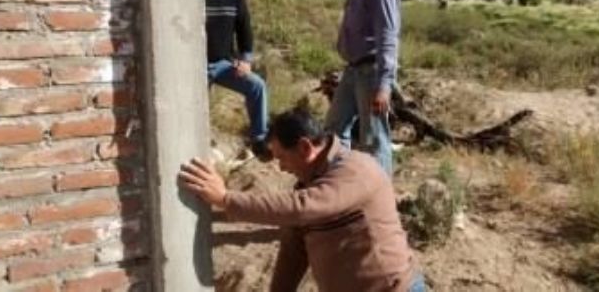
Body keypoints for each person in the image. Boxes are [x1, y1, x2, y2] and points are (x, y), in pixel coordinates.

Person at [179, 109, 426, 292]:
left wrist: (226, 199)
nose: (281, 167)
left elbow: (302, 208)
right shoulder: (311, 183)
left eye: (281, 157)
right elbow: (293, 252)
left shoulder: (356, 169)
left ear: (305, 148)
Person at [326, 0, 401, 176]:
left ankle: (380, 193)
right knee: (334, 130)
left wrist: (384, 86)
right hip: (353, 70)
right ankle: (339, 183)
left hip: (371, 73)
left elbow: (388, 38)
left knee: (374, 139)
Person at [203, 0, 270, 160]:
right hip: (196, 66)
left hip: (224, 64)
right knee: (198, 105)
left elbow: (244, 29)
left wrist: (245, 60)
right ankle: (202, 141)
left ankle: (259, 139)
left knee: (256, 86)